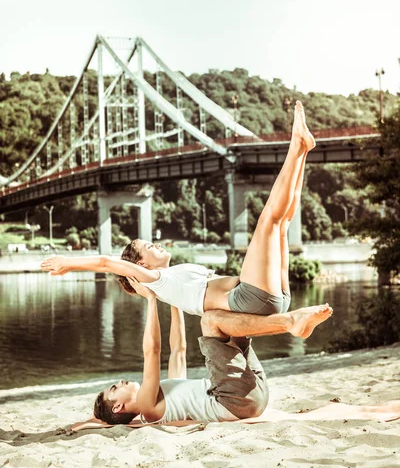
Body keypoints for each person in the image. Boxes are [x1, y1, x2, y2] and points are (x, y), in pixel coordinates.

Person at [41, 101, 315, 320]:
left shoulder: (171, 279)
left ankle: (302, 150)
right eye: (148, 245)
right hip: (253, 297)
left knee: (283, 223)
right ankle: (295, 145)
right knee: (268, 219)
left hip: (270, 296)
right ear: (141, 265)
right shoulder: (156, 281)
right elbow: (105, 263)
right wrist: (69, 262)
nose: (156, 244)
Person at [93, 279, 333, 426]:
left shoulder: (162, 395)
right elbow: (152, 351)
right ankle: (289, 322)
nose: (120, 382)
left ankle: (287, 314)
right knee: (210, 320)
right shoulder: (147, 407)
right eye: (115, 389)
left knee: (227, 315)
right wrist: (151, 300)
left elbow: (178, 349)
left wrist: (173, 297)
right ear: (118, 408)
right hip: (235, 401)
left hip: (251, 391)